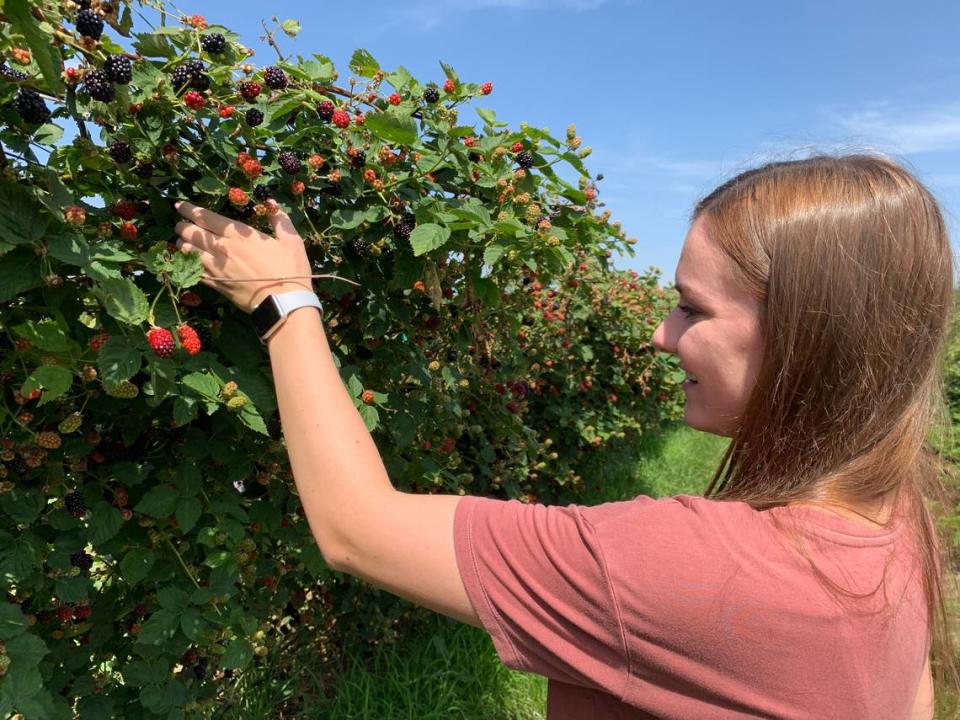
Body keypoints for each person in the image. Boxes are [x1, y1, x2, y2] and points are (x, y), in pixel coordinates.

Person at [173, 152, 957, 719]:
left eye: (692, 308)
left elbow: (357, 529)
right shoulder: (893, 520)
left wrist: (284, 299)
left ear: (803, 338)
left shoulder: (685, 569)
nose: (658, 334)